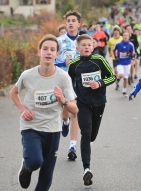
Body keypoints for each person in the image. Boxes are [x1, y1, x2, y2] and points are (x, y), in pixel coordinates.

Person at [10, 34, 78, 191]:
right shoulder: (28, 75)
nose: (48, 52)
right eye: (45, 49)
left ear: (57, 55)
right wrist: (22, 109)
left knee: (47, 172)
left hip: (53, 129)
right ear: (39, 52)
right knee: (35, 161)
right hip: (31, 126)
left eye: (52, 50)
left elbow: (74, 109)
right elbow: (13, 92)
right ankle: (26, 167)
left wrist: (62, 100)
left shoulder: (63, 77)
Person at [68, 34, 116, 186]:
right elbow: (69, 83)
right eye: (83, 45)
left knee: (92, 136)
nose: (87, 47)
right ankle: (86, 169)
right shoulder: (74, 64)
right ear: (78, 48)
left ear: (93, 46)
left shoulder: (99, 60)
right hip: (82, 104)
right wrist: (72, 98)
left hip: (99, 102)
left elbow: (112, 77)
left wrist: (100, 83)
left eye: (89, 44)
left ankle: (87, 148)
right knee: (86, 133)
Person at [55, 10, 81, 161]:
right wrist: (62, 62)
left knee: (75, 112)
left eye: (73, 20)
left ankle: (72, 146)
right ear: (66, 23)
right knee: (65, 112)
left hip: (78, 82)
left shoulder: (83, 40)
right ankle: (64, 121)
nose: (70, 22)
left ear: (78, 24)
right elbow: (51, 60)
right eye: (68, 20)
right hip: (63, 81)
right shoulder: (59, 41)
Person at [113, 31, 135, 96]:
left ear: (129, 37)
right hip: (120, 62)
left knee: (125, 78)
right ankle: (118, 79)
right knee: (121, 74)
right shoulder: (118, 44)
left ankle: (124, 90)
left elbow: (133, 53)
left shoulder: (131, 44)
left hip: (127, 63)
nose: (125, 37)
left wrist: (131, 54)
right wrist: (115, 57)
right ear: (122, 36)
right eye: (124, 35)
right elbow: (114, 50)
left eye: (127, 35)